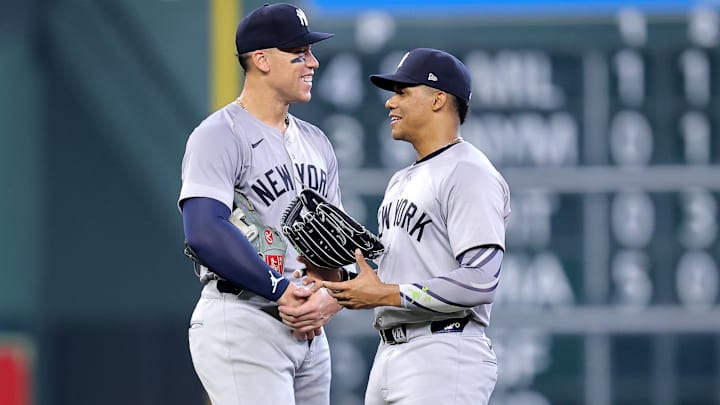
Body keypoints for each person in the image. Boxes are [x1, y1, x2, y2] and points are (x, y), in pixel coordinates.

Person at [314, 48, 512, 405]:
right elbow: (398, 273)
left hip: (444, 352)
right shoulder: (401, 180)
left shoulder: (469, 172)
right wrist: (339, 285)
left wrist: (387, 294)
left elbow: (481, 280)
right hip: (392, 351)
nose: (390, 103)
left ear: (438, 99)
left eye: (403, 91)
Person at [178, 3, 344, 404]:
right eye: (299, 54)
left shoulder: (317, 143)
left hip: (306, 331)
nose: (313, 63)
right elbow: (204, 231)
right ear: (262, 59)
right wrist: (281, 289)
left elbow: (331, 248)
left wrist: (328, 299)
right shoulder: (219, 133)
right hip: (242, 317)